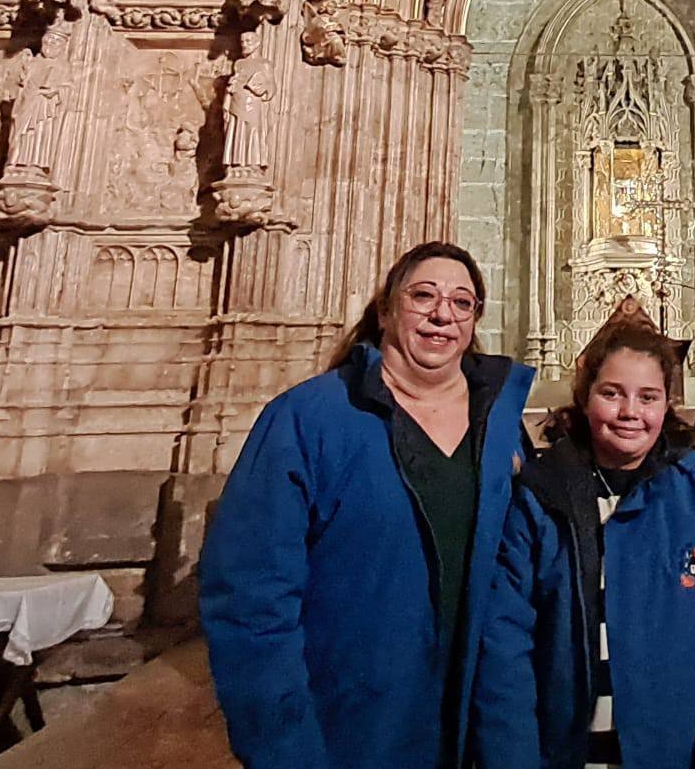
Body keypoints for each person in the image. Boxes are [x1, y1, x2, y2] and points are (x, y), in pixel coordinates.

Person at [200, 242, 535, 769]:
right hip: (352, 729)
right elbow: (251, 600)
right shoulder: (307, 420)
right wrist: (286, 750)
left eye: (461, 302)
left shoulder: (500, 429)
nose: (442, 313)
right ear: (385, 310)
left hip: (474, 729)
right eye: (422, 295)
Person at [474, 310, 695, 769]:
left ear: (667, 404)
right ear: (586, 396)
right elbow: (506, 646)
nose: (630, 412)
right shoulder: (541, 495)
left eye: (648, 397)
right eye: (612, 393)